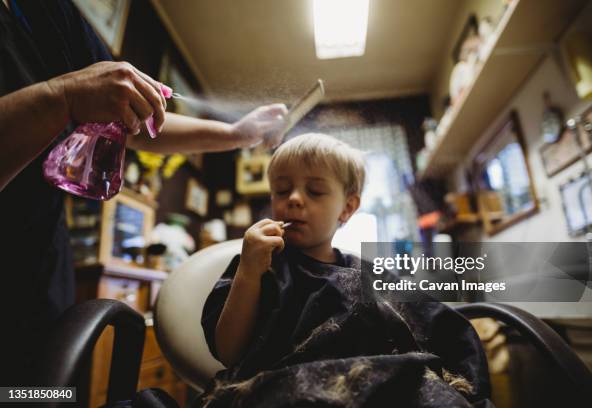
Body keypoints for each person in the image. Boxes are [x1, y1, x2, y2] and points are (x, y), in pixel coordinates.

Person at [0, 0, 287, 384]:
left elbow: (137, 119)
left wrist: (236, 134)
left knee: (40, 392)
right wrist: (61, 97)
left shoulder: (46, 12)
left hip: (42, 257)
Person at [201, 134, 492, 407]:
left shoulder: (366, 274)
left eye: (314, 191)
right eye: (281, 190)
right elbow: (230, 353)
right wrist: (249, 272)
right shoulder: (259, 266)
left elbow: (441, 331)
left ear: (347, 208)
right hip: (280, 389)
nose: (293, 198)